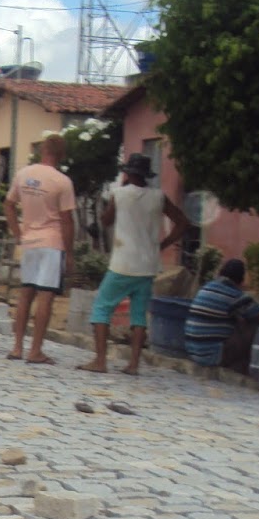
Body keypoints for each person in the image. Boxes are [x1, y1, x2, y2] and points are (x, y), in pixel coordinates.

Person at [84, 153, 191, 375]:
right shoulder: (158, 196)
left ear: (128, 173)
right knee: (139, 315)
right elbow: (182, 222)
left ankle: (100, 360)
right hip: (148, 265)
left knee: (102, 309)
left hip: (122, 263)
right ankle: (133, 364)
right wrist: (162, 244)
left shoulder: (120, 194)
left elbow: (105, 221)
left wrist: (120, 191)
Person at [3, 133, 75, 365]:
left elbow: (9, 204)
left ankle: (16, 347)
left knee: (25, 294)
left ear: (41, 150)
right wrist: (70, 252)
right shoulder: (62, 181)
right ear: (61, 154)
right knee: (45, 297)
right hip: (52, 243)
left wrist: (17, 232)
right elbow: (67, 220)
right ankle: (35, 350)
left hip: (29, 241)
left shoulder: (23, 174)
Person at [184, 257, 259, 370]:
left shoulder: (206, 288)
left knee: (239, 320)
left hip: (193, 352)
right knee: (255, 326)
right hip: (212, 354)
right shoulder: (233, 294)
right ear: (240, 279)